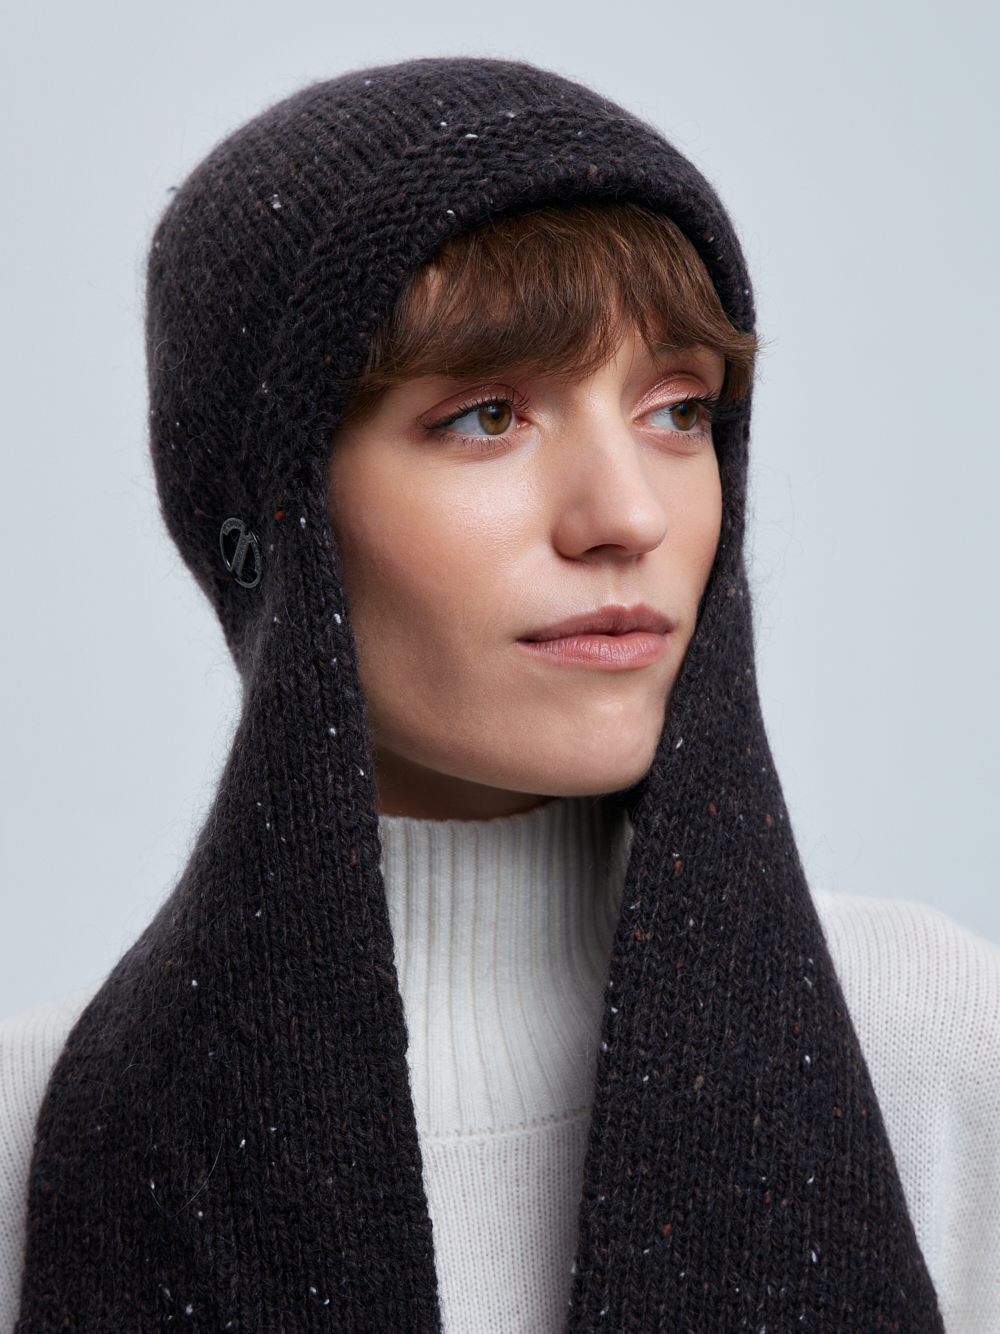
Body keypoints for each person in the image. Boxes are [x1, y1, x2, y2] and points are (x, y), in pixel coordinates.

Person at [1, 56, 998, 1334]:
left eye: (677, 411)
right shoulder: (34, 1129)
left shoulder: (930, 1043)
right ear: (270, 516)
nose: (626, 514)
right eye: (485, 415)